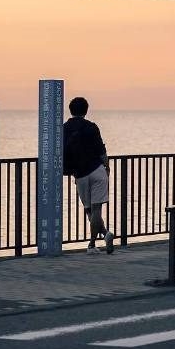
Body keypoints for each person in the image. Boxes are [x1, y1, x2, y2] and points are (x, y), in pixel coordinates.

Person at [63, 96, 114, 254]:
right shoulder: (92, 127)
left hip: (80, 174)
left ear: (71, 110)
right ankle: (102, 236)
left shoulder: (64, 128)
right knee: (97, 209)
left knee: (89, 210)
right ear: (86, 110)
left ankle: (94, 243)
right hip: (97, 170)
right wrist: (107, 167)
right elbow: (101, 150)